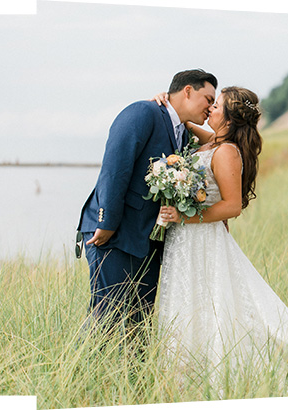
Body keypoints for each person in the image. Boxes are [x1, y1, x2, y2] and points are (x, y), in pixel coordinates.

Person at [156, 86, 288, 387]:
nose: (210, 110)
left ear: (230, 120)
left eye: (216, 106)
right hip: (188, 241)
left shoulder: (227, 151)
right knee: (196, 304)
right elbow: (189, 127)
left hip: (203, 238)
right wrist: (166, 104)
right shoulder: (212, 144)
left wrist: (185, 217)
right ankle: (188, 376)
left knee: (239, 313)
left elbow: (232, 206)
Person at [76, 69, 216, 332]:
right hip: (113, 235)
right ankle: (81, 371)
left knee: (140, 324)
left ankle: (133, 374)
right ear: (188, 90)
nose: (211, 107)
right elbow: (115, 168)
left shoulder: (183, 133)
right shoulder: (143, 112)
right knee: (106, 318)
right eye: (208, 99)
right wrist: (107, 223)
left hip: (149, 242)